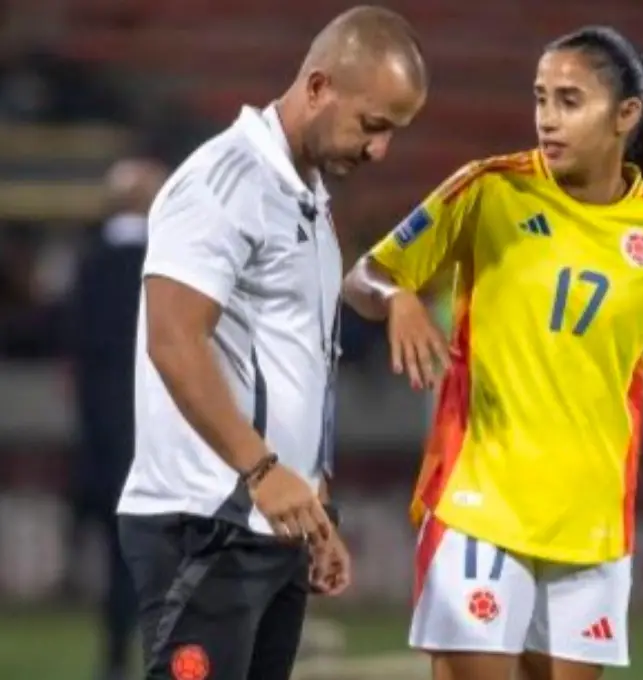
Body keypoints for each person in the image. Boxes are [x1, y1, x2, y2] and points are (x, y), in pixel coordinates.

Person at [343, 25, 643, 680]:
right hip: (479, 506)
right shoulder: (488, 191)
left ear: (626, 115)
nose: (547, 120)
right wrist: (400, 299)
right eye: (540, 99)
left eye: (568, 101)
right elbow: (365, 276)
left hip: (591, 527)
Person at [115, 7, 428, 680]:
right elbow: (173, 340)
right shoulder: (223, 183)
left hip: (268, 522)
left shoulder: (306, 198)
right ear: (318, 87)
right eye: (373, 125)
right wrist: (261, 471)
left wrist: (311, 507)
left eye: (393, 133)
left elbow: (293, 367)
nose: (380, 151)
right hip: (208, 524)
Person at [69, 157, 168, 680]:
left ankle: (114, 657)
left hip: (103, 435)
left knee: (119, 554)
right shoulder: (168, 258)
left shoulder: (88, 263)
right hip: (164, 429)